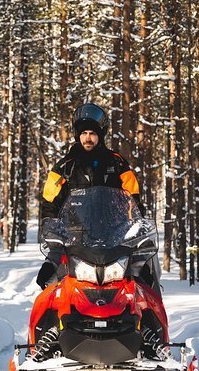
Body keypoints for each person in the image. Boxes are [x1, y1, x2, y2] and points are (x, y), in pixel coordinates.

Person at [36, 102, 144, 289]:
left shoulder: (116, 164)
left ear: (100, 135)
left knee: (143, 279)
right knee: (48, 282)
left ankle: (148, 317)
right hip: (73, 239)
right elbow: (49, 203)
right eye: (84, 133)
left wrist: (134, 227)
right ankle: (50, 318)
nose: (88, 138)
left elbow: (133, 199)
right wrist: (52, 232)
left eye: (92, 133)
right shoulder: (64, 167)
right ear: (78, 135)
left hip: (113, 237)